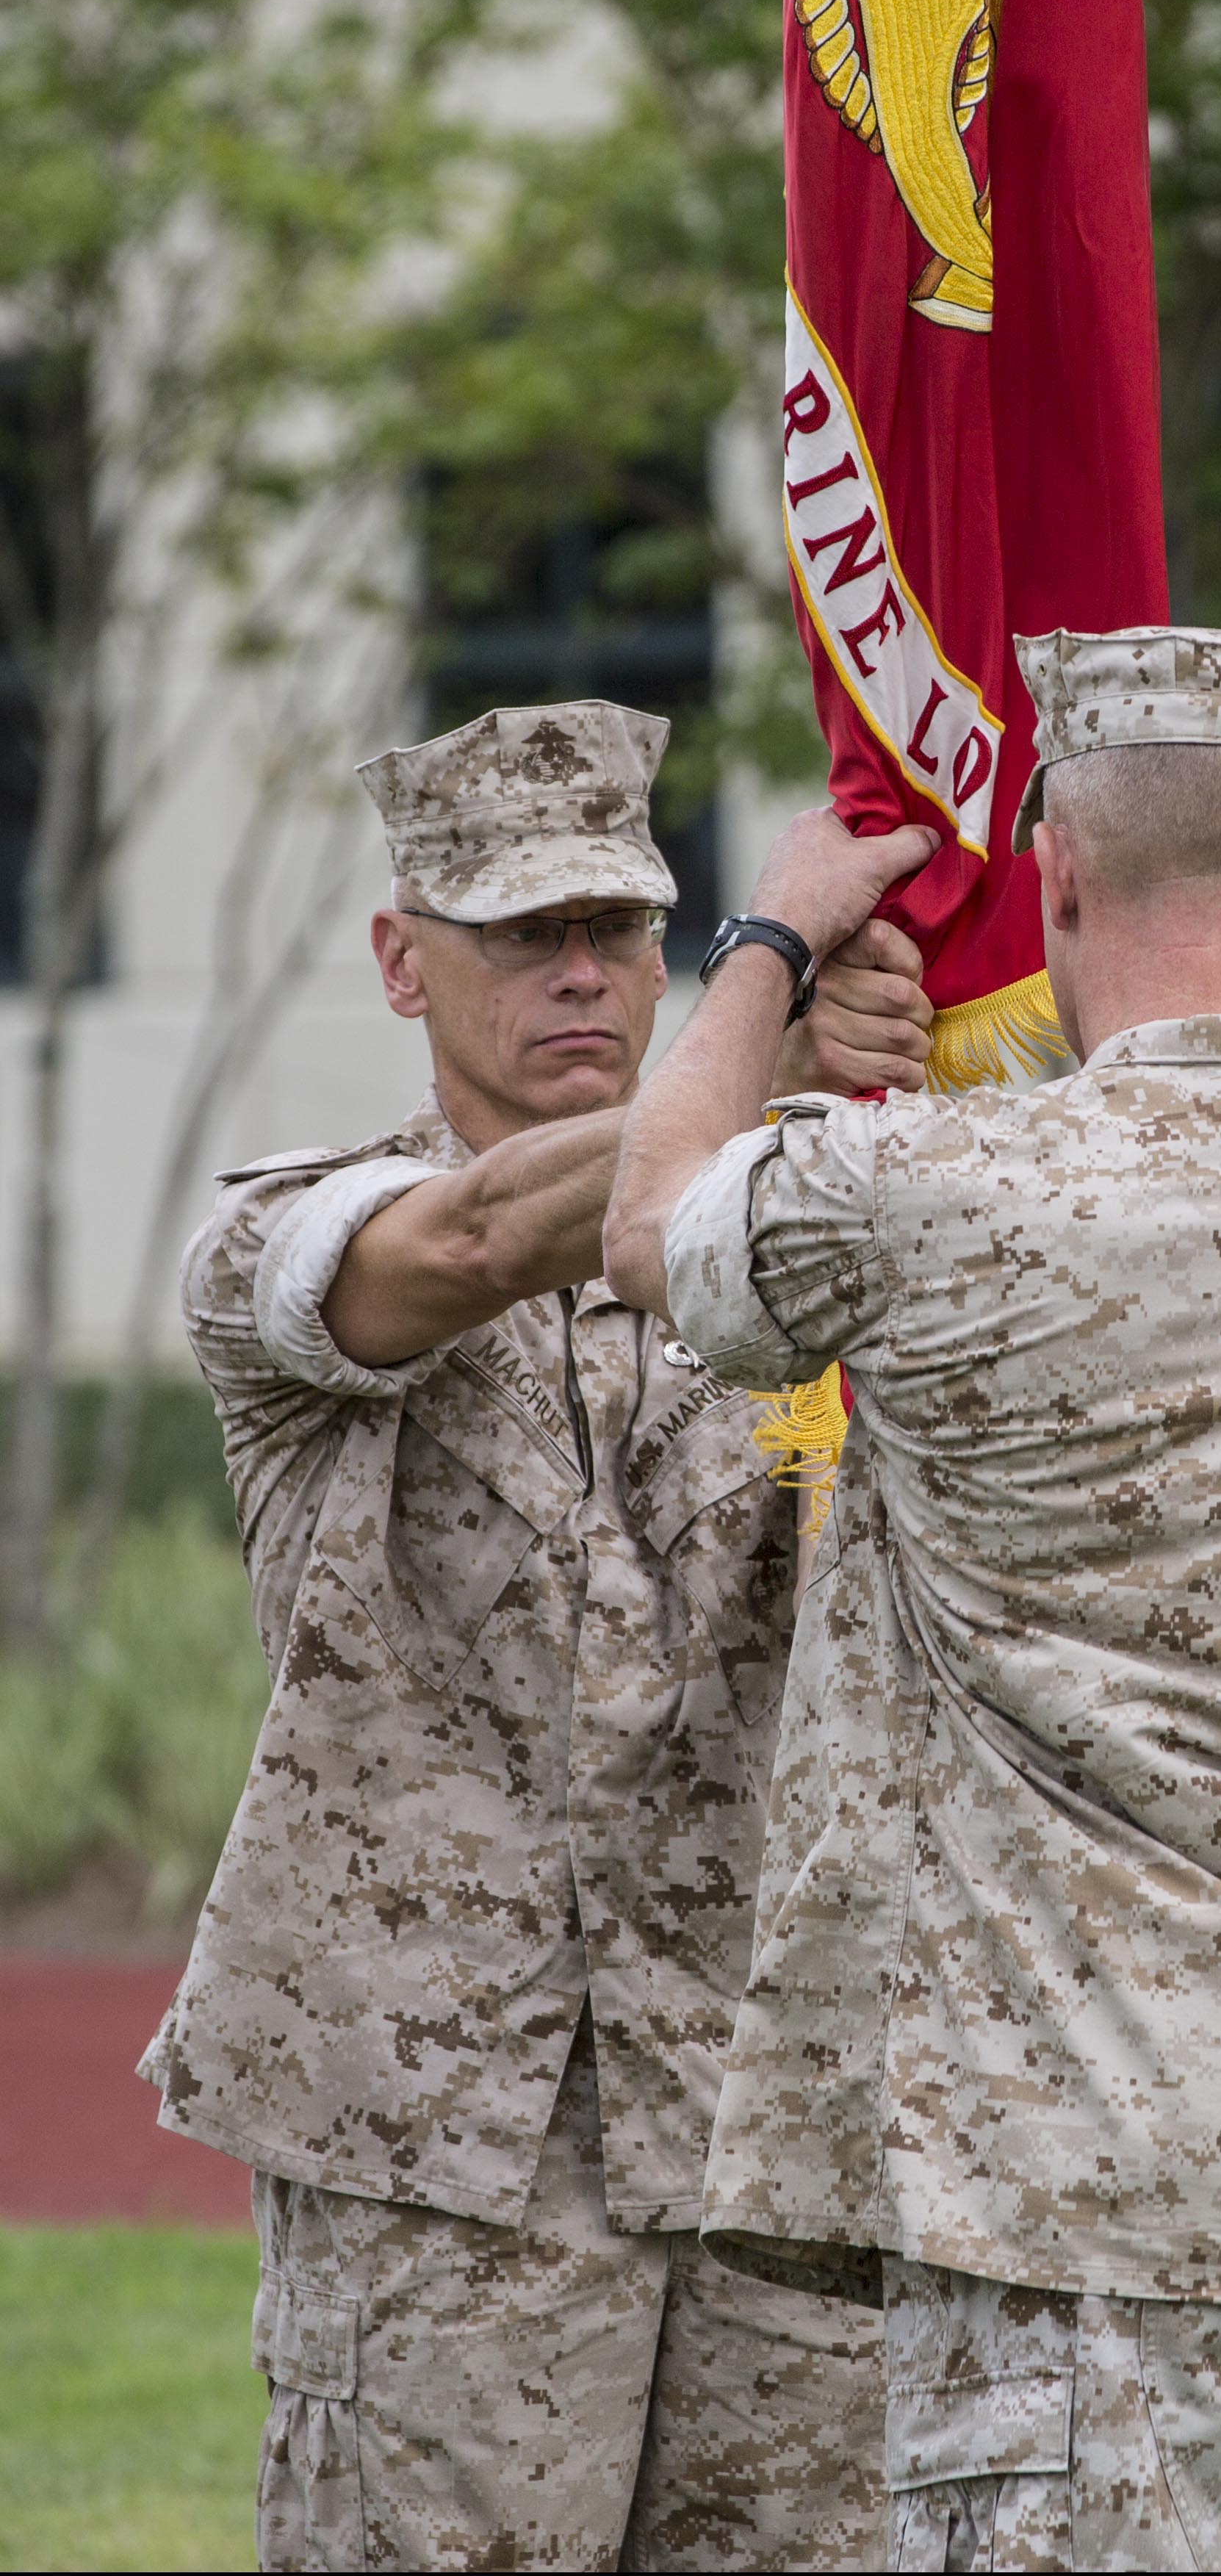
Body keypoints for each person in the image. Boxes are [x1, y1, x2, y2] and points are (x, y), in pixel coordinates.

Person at [602, 626, 1221, 2574]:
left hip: (1068, 2188)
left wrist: (772, 940)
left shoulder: (934, 1198)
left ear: (1046, 878)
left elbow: (650, 1225)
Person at [144, 699, 939, 2573]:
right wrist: (773, 1006)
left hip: (763, 2099)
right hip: (442, 2144)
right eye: (523, 935)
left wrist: (855, 1081)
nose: (582, 976)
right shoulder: (288, 1233)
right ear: (402, 959)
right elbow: (485, 1239)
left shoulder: (786, 1213)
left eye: (622, 932)